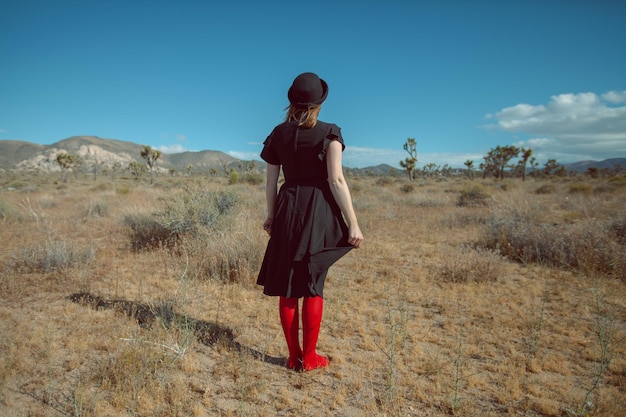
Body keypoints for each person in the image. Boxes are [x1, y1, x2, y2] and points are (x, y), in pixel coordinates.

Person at [257, 72, 364, 371]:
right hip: (318, 210)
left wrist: (271, 216)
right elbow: (336, 179)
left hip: (288, 205)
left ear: (291, 100)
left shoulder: (278, 134)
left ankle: (293, 357)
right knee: (313, 283)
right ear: (319, 102)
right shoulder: (330, 133)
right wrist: (352, 223)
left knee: (289, 285)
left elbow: (270, 183)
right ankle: (311, 358)